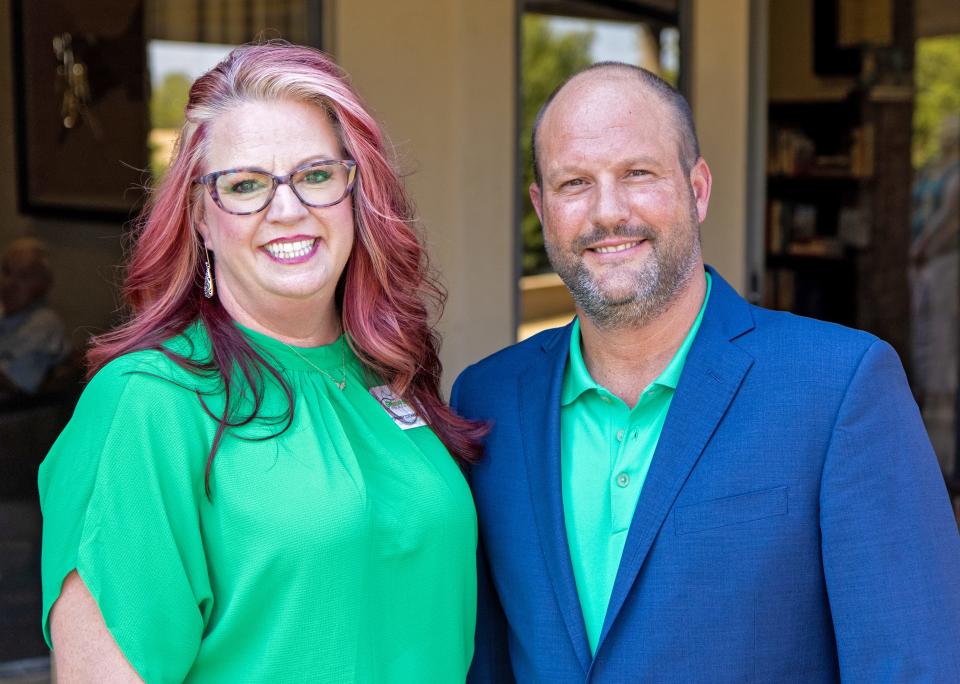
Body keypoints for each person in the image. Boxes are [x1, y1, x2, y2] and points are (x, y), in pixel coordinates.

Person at [453, 62, 960, 683]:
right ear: (541, 206)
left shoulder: (840, 387)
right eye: (574, 183)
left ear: (697, 189)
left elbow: (911, 665)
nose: (607, 212)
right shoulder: (488, 399)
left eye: (638, 173)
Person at [39, 42, 484, 683]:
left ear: (355, 191)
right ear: (198, 215)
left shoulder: (387, 374)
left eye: (316, 175)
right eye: (244, 185)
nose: (287, 208)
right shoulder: (149, 400)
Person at [0, 237, 68, 398]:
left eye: (24, 276)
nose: (10, 283)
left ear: (44, 285)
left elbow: (15, 383)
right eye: (7, 272)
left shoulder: (44, 323)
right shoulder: (5, 313)